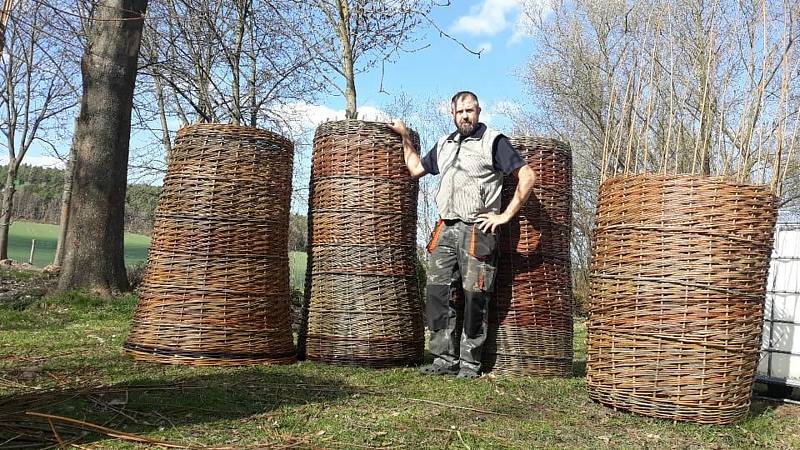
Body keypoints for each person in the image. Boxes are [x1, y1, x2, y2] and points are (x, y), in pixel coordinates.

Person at [389, 91, 536, 379]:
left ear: (478, 111)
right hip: (445, 227)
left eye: (470, 110)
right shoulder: (444, 144)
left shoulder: (494, 141)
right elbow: (416, 168)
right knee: (437, 293)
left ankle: (469, 365)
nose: (465, 116)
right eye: (460, 112)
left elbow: (527, 175)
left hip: (477, 229)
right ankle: (443, 360)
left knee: (475, 295)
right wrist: (405, 135)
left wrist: (504, 215)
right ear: (452, 114)